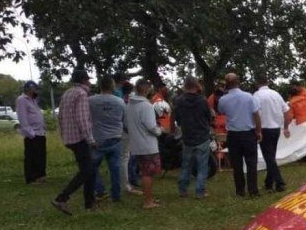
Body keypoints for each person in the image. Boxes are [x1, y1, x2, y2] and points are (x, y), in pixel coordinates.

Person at [52, 69, 96, 215]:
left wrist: (63, 134)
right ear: (84, 80)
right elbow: (82, 119)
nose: (90, 83)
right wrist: (90, 139)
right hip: (80, 138)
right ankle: (62, 198)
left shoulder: (67, 93)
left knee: (89, 169)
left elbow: (60, 116)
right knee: (87, 170)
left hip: (70, 137)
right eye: (88, 80)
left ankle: (89, 203)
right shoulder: (82, 94)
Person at [218, 73, 262, 197]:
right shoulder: (249, 97)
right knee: (251, 162)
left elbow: (221, 111)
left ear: (226, 84)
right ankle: (253, 190)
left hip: (233, 135)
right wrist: (258, 131)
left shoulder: (223, 99)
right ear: (238, 82)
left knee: (236, 164)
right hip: (248, 133)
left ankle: (240, 190)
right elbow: (256, 115)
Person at [172, 76, 213, 198]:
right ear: (196, 86)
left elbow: (175, 117)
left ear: (185, 86)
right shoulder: (203, 100)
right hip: (202, 136)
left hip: (187, 137)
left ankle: (182, 190)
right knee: (202, 165)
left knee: (186, 165)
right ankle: (200, 191)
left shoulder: (179, 101)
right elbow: (209, 117)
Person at [125, 79, 163, 209]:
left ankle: (149, 197)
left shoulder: (129, 105)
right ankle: (147, 201)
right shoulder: (146, 106)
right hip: (147, 145)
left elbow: (126, 124)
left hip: (136, 144)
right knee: (148, 173)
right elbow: (151, 126)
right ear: (147, 90)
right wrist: (160, 131)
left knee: (145, 171)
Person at [89, 75, 126, 202]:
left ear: (100, 86)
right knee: (115, 169)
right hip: (115, 137)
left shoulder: (91, 101)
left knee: (92, 167)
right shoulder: (119, 101)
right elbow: (123, 118)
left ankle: (100, 190)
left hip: (97, 138)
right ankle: (116, 194)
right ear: (113, 86)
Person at [253, 77, 290, 192]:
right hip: (276, 129)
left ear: (257, 84)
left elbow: (255, 113)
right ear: (267, 82)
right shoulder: (276, 94)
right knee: (271, 156)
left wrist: (256, 129)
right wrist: (286, 127)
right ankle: (268, 183)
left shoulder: (257, 95)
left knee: (269, 157)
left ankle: (280, 182)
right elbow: (286, 111)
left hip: (264, 128)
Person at [15, 80, 47, 184]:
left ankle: (40, 175)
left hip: (40, 132)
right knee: (32, 157)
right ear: (30, 89)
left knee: (40, 156)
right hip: (32, 134)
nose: (37, 92)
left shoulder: (33, 100)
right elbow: (22, 118)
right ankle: (31, 178)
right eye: (35, 90)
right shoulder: (22, 100)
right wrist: (30, 133)